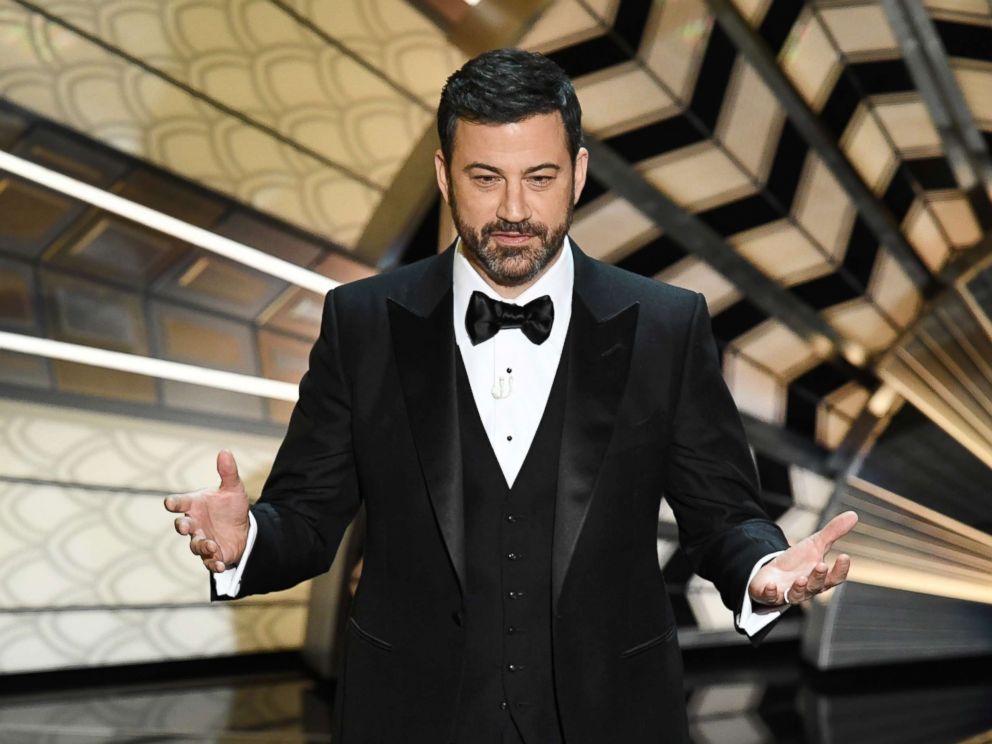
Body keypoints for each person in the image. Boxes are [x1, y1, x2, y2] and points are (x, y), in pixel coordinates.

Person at [165, 48, 857, 744]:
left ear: (579, 175)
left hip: (615, 716)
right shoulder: (363, 321)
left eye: (541, 177)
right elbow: (310, 516)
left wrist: (764, 568)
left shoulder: (666, 324)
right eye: (486, 178)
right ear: (444, 175)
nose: (515, 211)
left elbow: (722, 513)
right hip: (409, 719)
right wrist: (246, 538)